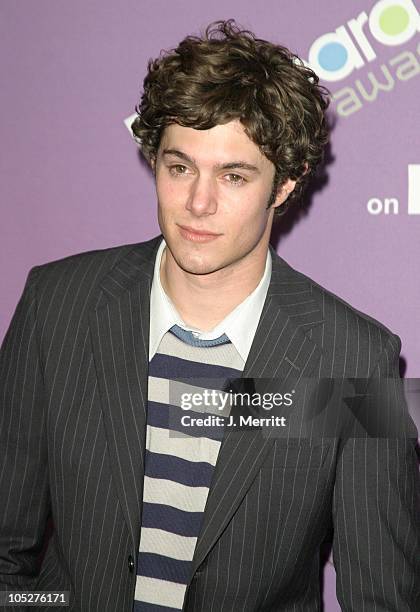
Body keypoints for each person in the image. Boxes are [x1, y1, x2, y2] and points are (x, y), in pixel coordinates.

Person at [0, 19, 418, 612]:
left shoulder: (353, 358)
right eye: (179, 168)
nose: (198, 202)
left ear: (285, 185)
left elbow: (383, 598)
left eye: (233, 175)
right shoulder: (57, 305)